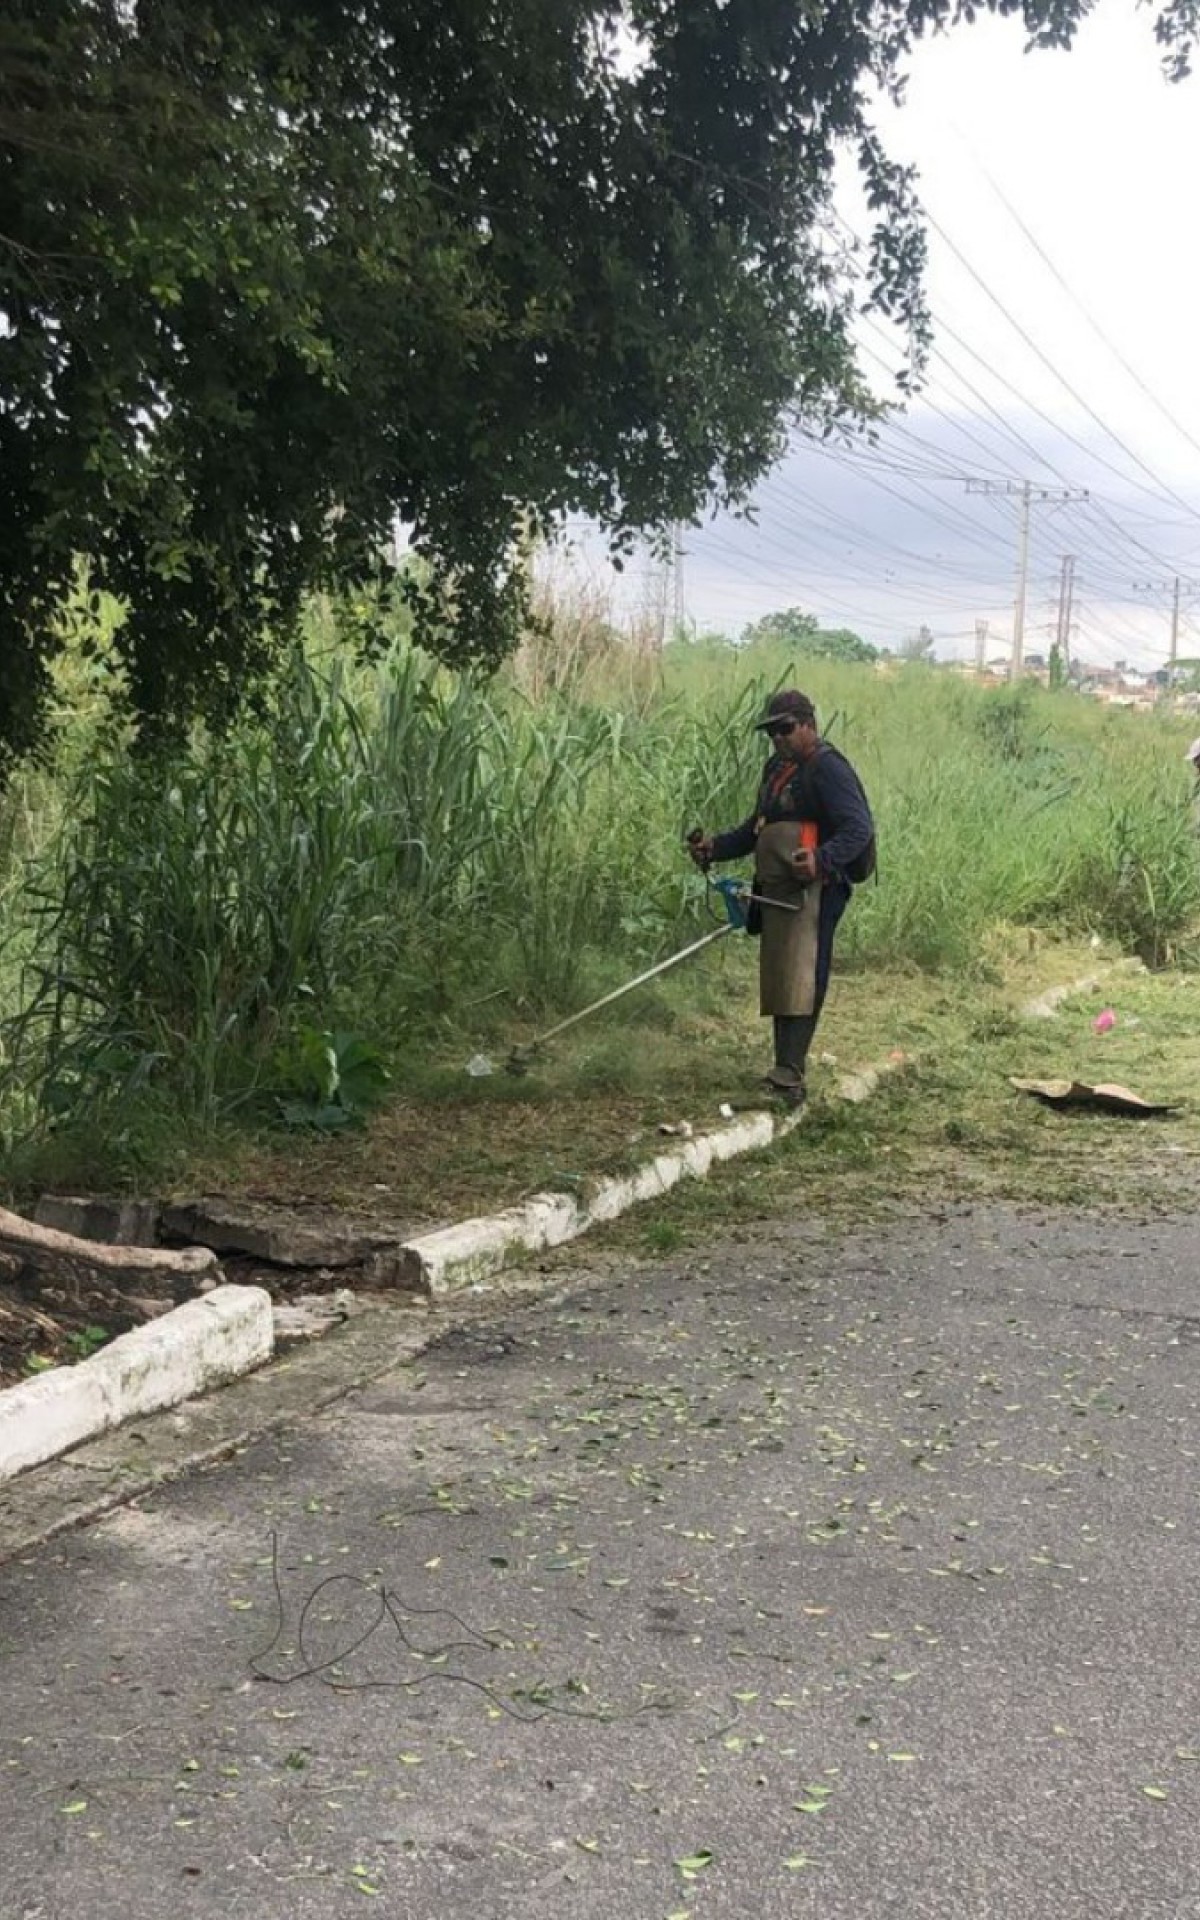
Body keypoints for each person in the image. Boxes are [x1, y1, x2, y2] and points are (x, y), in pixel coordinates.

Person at [688, 689, 875, 1108]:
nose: (779, 739)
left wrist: (822, 859)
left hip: (819, 888)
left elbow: (858, 828)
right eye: (772, 732)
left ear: (809, 724)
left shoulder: (828, 768)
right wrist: (715, 847)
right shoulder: (777, 769)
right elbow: (756, 830)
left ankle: (791, 1072)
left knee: (806, 972)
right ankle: (782, 1066)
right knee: (781, 972)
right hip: (779, 889)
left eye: (786, 729)